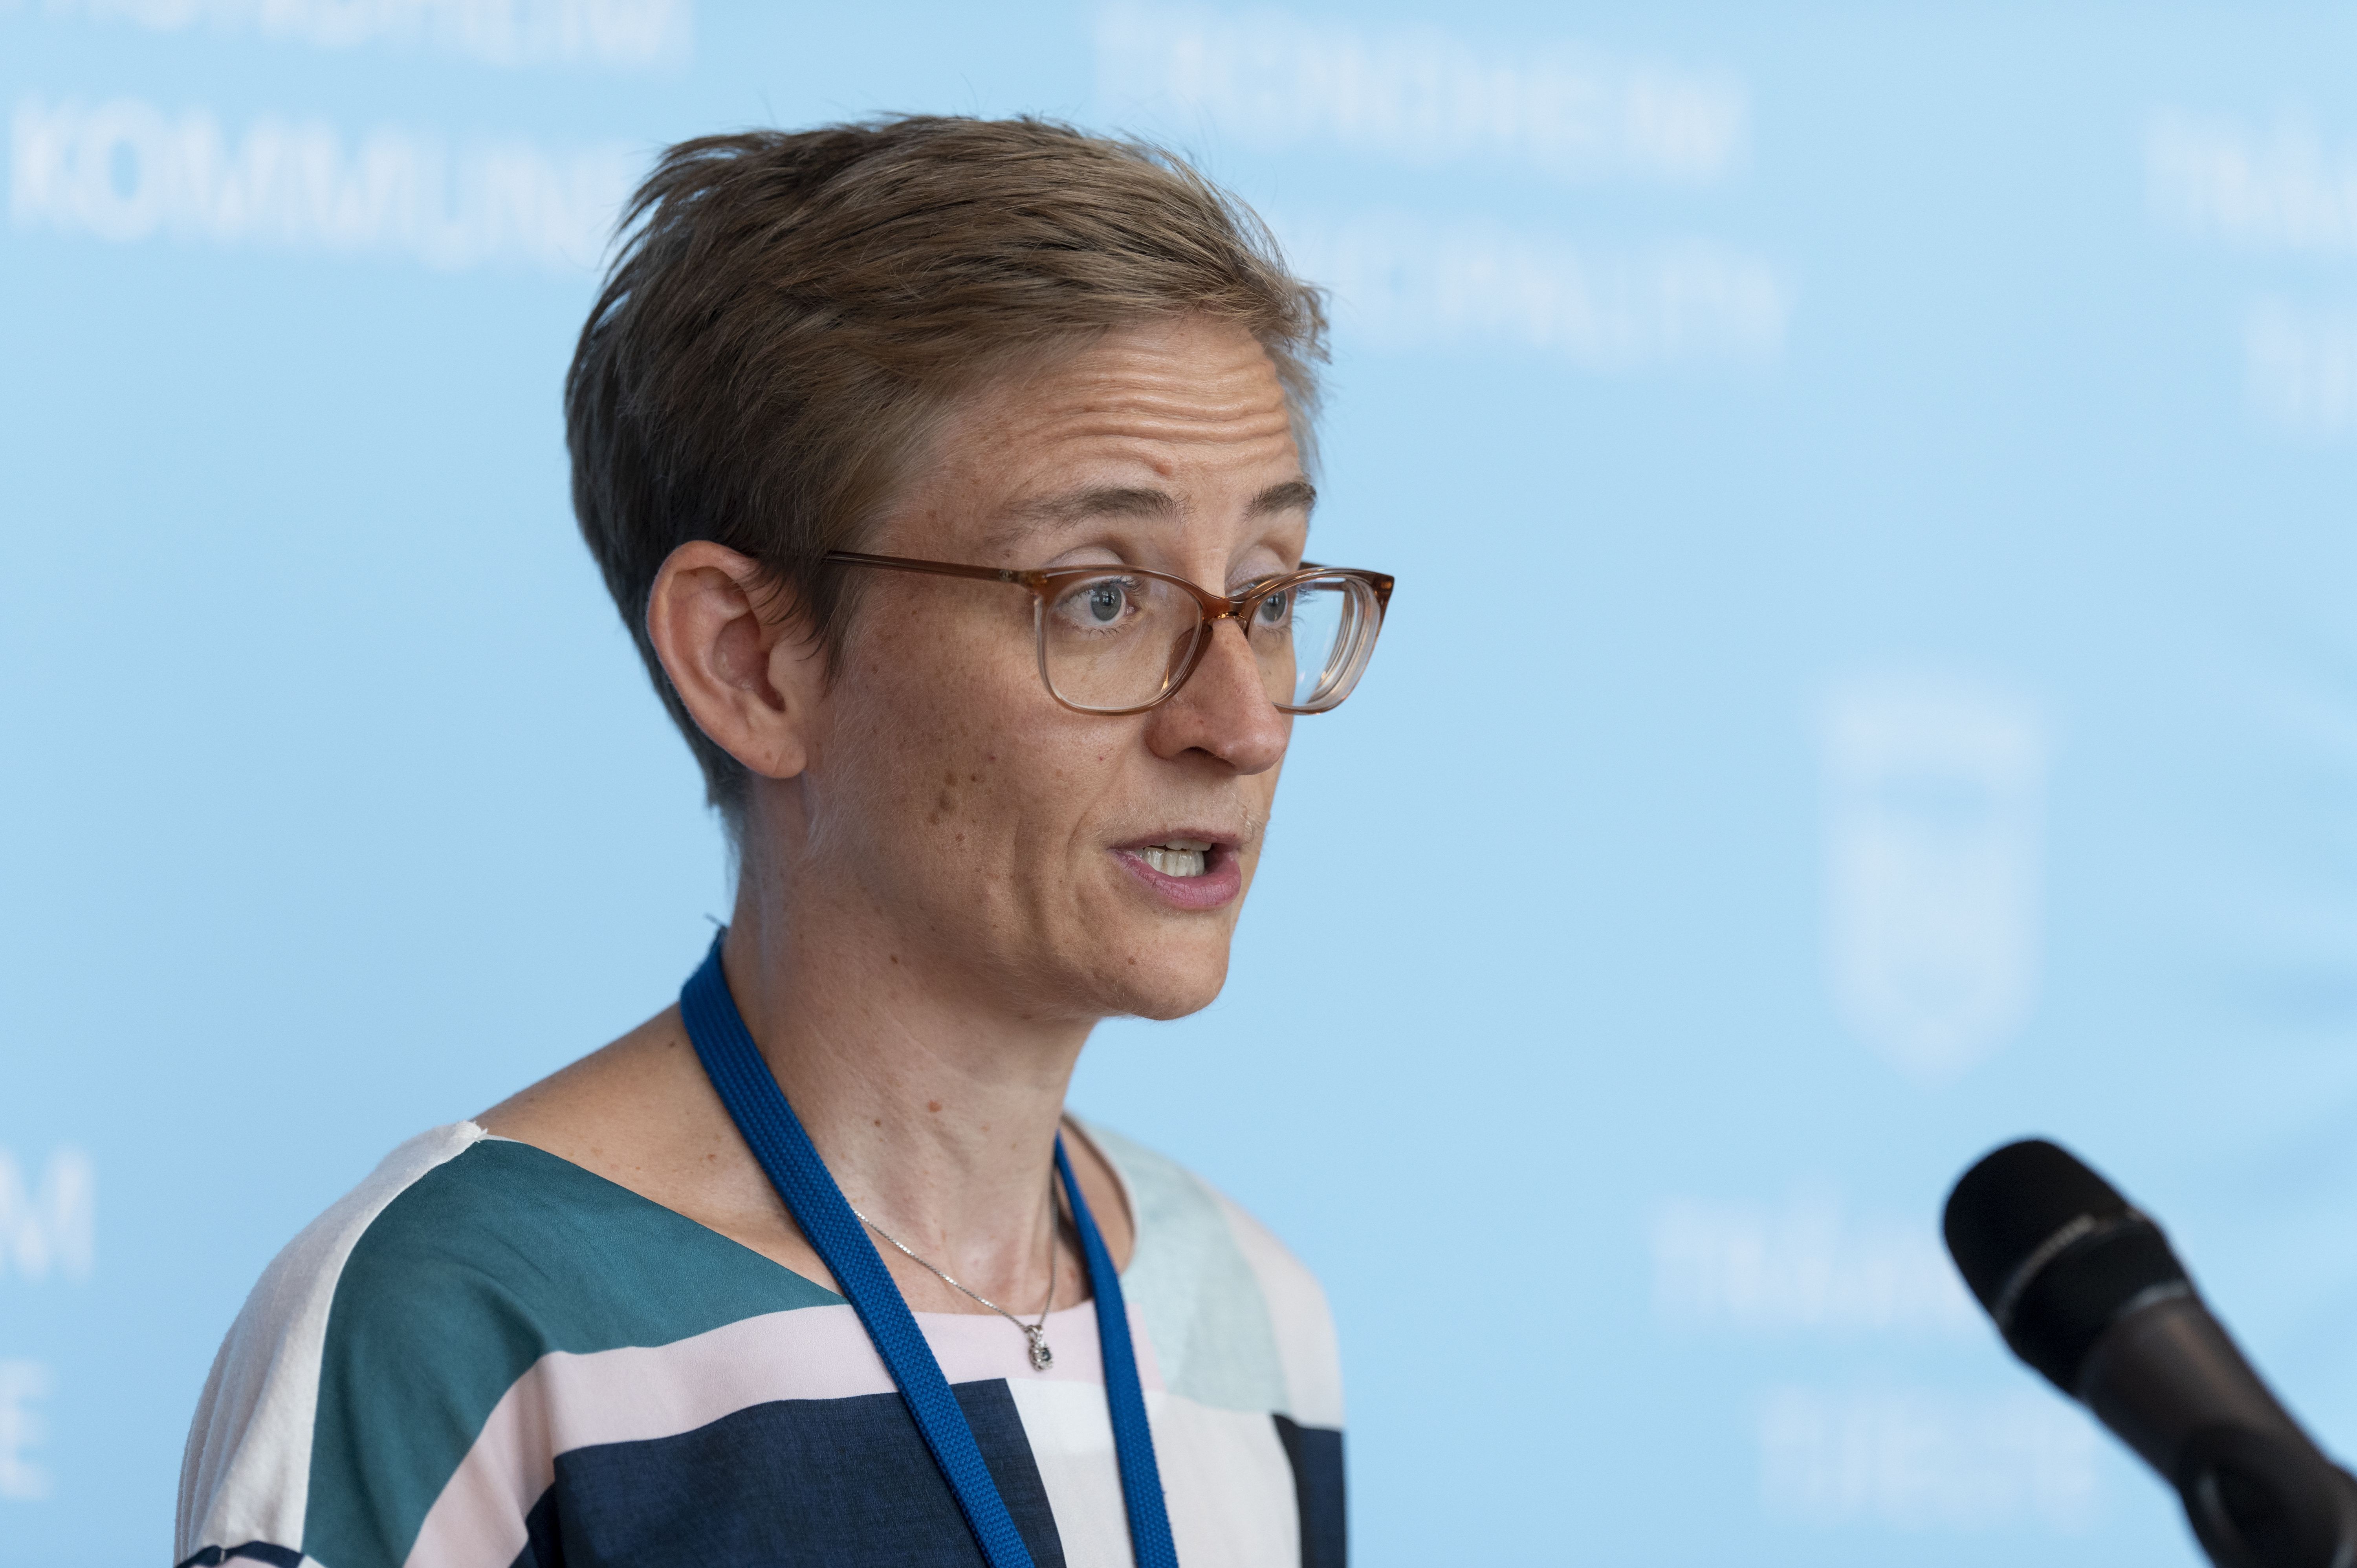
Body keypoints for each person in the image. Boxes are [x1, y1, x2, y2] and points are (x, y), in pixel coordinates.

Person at [174, 115, 1390, 1568]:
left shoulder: (1254, 1313)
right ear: (750, 663)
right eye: (1102, 598)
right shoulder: (470, 1325)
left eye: (1267, 594)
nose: (1243, 724)